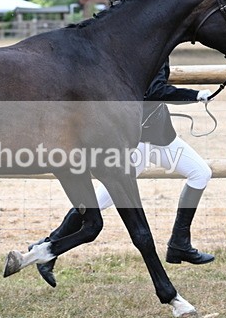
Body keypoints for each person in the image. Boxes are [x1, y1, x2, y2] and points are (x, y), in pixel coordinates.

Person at [32, 57, 215, 287]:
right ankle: (49, 246)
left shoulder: (158, 47)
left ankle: (180, 244)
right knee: (100, 201)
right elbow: (155, 90)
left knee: (201, 173)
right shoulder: (149, 49)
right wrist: (195, 96)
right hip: (136, 144)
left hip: (162, 139)